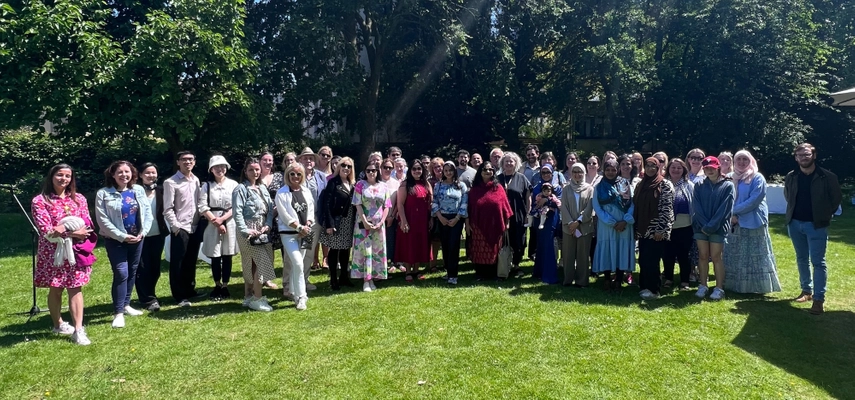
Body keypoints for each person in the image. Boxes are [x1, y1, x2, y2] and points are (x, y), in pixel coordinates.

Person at [32, 164, 97, 345]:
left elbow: (86, 223)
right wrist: (71, 232)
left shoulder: (78, 199)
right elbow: (47, 230)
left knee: (76, 287)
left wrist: (65, 229)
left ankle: (78, 329)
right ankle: (58, 324)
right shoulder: (41, 201)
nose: (64, 179)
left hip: (75, 250)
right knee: (57, 287)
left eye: (67, 176)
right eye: (60, 175)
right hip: (53, 252)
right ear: (51, 176)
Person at [784, 143, 841, 314]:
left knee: (818, 262)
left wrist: (824, 214)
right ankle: (806, 291)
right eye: (800, 155)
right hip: (795, 223)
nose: (804, 158)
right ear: (796, 158)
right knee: (801, 258)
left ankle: (818, 299)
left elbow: (836, 199)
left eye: (807, 154)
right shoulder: (791, 176)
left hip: (816, 225)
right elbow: (788, 195)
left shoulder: (827, 177)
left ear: (814, 156)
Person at [95, 161, 153, 328]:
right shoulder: (104, 194)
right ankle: (118, 313)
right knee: (121, 272)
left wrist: (143, 232)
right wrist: (122, 236)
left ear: (132, 174)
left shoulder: (138, 190)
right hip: (115, 240)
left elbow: (147, 213)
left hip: (137, 239)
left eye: (127, 171)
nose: (124, 175)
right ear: (112, 174)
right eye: (119, 172)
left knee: (132, 271)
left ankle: (126, 304)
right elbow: (102, 220)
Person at [723, 150, 781, 295]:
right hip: (733, 222)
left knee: (755, 255)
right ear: (734, 161)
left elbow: (754, 200)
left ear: (751, 161)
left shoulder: (757, 177)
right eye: (739, 159)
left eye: (745, 159)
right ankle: (733, 285)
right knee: (735, 253)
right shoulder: (729, 177)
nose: (742, 162)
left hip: (753, 221)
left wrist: (733, 211)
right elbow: (724, 198)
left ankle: (757, 286)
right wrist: (731, 215)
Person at [233, 157, 276, 311]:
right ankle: (257, 298)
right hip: (248, 229)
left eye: (257, 169)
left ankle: (248, 296)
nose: (255, 172)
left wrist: (268, 225)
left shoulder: (262, 188)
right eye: (251, 169)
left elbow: (270, 210)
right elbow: (237, 212)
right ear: (245, 171)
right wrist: (245, 230)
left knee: (259, 261)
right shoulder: (240, 189)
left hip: (262, 229)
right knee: (259, 262)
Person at [163, 151, 204, 307]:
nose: (188, 162)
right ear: (178, 162)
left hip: (195, 226)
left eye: (190, 159)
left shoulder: (196, 180)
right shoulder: (170, 182)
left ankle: (190, 290)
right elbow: (168, 208)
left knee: (191, 260)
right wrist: (176, 227)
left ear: (194, 162)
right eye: (184, 159)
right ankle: (179, 295)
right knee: (178, 262)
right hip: (181, 227)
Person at [692, 156, 734, 300]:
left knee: (716, 257)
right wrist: (705, 226)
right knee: (703, 255)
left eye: (712, 168)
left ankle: (719, 288)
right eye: (706, 168)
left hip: (718, 227)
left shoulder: (727, 185)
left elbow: (725, 209)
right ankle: (703, 285)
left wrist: (711, 226)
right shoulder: (699, 185)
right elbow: (696, 207)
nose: (710, 170)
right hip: (700, 227)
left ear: (718, 168)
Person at [198, 155, 239, 301]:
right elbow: (202, 206)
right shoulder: (207, 186)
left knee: (227, 255)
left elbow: (237, 205)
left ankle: (225, 285)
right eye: (216, 167)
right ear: (211, 169)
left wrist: (222, 220)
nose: (220, 169)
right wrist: (216, 222)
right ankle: (217, 284)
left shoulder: (233, 184)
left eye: (222, 166)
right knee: (215, 256)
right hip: (212, 223)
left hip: (230, 223)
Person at [633, 158, 674, 300]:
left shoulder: (665, 184)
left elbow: (667, 209)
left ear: (658, 168)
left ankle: (654, 290)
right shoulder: (641, 184)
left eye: (653, 166)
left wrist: (660, 230)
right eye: (648, 166)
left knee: (653, 260)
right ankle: (644, 286)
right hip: (643, 229)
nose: (650, 169)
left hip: (656, 230)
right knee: (643, 259)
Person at [275, 163, 314, 310]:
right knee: (297, 263)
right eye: (292, 174)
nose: (295, 177)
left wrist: (308, 224)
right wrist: (298, 227)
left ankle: (292, 290)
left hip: (305, 233)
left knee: (298, 264)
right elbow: (284, 215)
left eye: (298, 174)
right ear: (287, 175)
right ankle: (302, 296)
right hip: (289, 234)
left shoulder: (306, 191)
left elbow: (311, 210)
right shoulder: (281, 193)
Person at [592, 159, 635, 292]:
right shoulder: (599, 187)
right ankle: (606, 278)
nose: (610, 172)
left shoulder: (625, 184)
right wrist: (611, 222)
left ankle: (618, 279)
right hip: (606, 225)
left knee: (621, 250)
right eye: (608, 170)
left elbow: (632, 203)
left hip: (624, 225)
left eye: (613, 170)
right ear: (603, 170)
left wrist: (625, 220)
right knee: (607, 250)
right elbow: (597, 207)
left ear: (618, 170)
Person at [467, 161, 514, 281]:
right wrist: (468, 223)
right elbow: (470, 208)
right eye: (485, 169)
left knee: (495, 249)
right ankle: (480, 273)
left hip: (495, 224)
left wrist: (507, 222)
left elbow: (505, 207)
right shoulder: (474, 190)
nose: (488, 172)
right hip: (478, 225)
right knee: (480, 249)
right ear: (480, 172)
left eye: (490, 170)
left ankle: (495, 272)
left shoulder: (498, 188)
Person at [352, 162, 392, 292]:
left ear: (377, 171)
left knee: (377, 251)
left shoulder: (383, 186)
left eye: (373, 170)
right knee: (365, 251)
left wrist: (381, 222)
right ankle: (366, 280)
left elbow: (387, 206)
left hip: (378, 225)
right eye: (368, 170)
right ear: (365, 172)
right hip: (363, 224)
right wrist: (364, 221)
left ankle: (373, 278)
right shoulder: (360, 185)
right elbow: (357, 204)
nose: (371, 173)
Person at [319, 157, 356, 291]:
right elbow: (327, 204)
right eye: (343, 165)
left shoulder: (352, 183)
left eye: (349, 166)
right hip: (336, 221)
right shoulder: (333, 182)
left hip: (349, 220)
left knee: (346, 249)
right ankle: (333, 279)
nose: (346, 168)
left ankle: (344, 277)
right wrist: (329, 224)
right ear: (338, 167)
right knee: (334, 250)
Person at [137, 163, 167, 311]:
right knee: (143, 268)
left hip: (157, 233)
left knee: (155, 268)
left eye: (153, 172)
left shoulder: (162, 191)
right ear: (140, 175)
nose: (151, 175)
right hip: (139, 235)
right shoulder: (135, 191)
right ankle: (147, 299)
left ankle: (151, 294)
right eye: (147, 173)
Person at [396, 159, 433, 281]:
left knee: (419, 243)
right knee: (408, 243)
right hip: (409, 218)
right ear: (410, 170)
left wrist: (431, 219)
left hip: (422, 220)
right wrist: (403, 221)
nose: (417, 171)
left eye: (419, 169)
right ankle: (408, 271)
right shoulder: (405, 184)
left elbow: (431, 203)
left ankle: (416, 270)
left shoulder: (426, 184)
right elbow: (400, 204)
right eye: (414, 169)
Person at [433, 161, 469, 285]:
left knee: (454, 245)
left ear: (454, 171)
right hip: (442, 217)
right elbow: (434, 201)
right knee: (445, 245)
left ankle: (453, 275)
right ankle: (448, 271)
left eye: (451, 170)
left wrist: (457, 218)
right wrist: (439, 216)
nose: (448, 173)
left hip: (456, 218)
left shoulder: (461, 185)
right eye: (446, 170)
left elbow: (464, 203)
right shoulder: (438, 185)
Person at [497, 152, 531, 278]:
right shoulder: (497, 179)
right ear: (502, 163)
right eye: (506, 161)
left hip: (518, 214)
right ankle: (503, 263)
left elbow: (528, 196)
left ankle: (516, 265)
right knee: (503, 240)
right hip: (501, 216)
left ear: (516, 163)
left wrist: (528, 213)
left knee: (519, 240)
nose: (509, 163)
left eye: (511, 161)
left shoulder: (521, 178)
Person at [663, 158, 694, 290]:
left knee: (684, 255)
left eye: (679, 168)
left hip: (685, 226)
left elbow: (694, 205)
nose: (676, 170)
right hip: (667, 226)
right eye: (673, 167)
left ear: (684, 170)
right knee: (667, 254)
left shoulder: (689, 185)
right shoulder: (662, 184)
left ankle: (685, 281)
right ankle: (668, 278)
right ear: (668, 169)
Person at [297, 147, 327, 283]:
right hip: (299, 219)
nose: (308, 161)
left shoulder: (320, 176)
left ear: (315, 161)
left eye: (311, 158)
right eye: (305, 158)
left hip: (315, 218)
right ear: (300, 160)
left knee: (308, 249)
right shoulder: (296, 175)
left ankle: (304, 279)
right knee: (298, 250)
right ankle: (293, 280)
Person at [560, 163, 593, 287]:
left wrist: (578, 221)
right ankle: (568, 279)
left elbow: (590, 207)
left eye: (580, 172)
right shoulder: (566, 189)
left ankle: (581, 281)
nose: (577, 174)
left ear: (584, 173)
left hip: (584, 226)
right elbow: (563, 207)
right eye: (574, 171)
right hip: (568, 227)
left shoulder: (590, 189)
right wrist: (570, 223)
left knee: (583, 255)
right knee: (568, 254)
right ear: (571, 173)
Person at [530, 165, 562, 284]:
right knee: (541, 244)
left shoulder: (557, 188)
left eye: (548, 172)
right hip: (540, 219)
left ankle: (549, 274)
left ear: (552, 173)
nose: (546, 175)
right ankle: (539, 271)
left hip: (551, 219)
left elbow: (560, 203)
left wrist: (547, 200)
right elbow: (534, 203)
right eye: (543, 173)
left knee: (549, 245)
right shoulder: (537, 187)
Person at [379, 158, 402, 272]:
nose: (387, 169)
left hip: (392, 216)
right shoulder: (376, 181)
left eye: (390, 168)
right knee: (380, 241)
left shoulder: (396, 183)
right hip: (378, 217)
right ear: (381, 168)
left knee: (392, 239)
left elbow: (399, 201)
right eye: (385, 167)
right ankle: (381, 263)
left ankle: (393, 262)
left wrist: (392, 216)